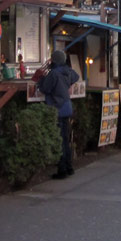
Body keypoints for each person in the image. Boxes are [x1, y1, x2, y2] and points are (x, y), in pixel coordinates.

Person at [36, 49, 79, 179]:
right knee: (65, 139)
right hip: (66, 106)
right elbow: (76, 76)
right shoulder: (68, 71)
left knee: (60, 139)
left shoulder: (54, 74)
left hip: (57, 107)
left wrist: (41, 77)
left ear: (54, 60)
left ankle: (62, 170)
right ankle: (69, 166)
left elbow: (45, 88)